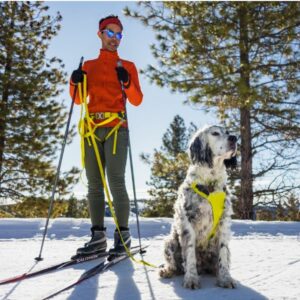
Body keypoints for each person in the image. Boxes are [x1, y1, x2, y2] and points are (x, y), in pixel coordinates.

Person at [69, 15, 143, 256]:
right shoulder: (88, 66)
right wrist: (74, 80)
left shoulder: (127, 66)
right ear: (100, 34)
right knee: (94, 184)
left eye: (118, 34)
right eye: (110, 33)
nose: (114, 38)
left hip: (116, 129)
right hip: (92, 129)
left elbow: (137, 100)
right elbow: (78, 99)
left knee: (116, 181)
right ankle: (97, 237)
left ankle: (123, 237)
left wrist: (128, 81)